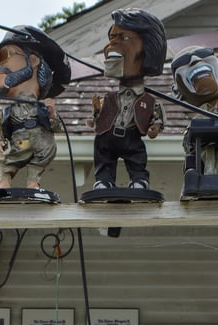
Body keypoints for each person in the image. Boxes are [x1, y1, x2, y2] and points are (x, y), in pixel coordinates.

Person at [0, 26, 71, 190]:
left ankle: (33, 184)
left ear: (33, 61)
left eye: (3, 56)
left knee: (44, 155)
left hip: (42, 143)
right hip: (20, 141)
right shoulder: (8, 112)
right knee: (11, 161)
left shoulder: (43, 107)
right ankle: (4, 184)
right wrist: (0, 141)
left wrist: (52, 115)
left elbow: (56, 128)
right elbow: (2, 130)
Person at [88, 9, 167, 190]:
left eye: (124, 38)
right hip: (108, 136)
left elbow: (156, 118)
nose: (113, 44)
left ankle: (139, 180)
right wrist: (97, 113)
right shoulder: (109, 97)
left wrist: (155, 127)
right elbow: (98, 119)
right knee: (103, 155)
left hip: (132, 136)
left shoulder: (149, 100)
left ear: (147, 50)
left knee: (136, 158)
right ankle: (104, 180)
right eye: (112, 37)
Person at [171, 45, 218, 175]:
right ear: (176, 92)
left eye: (204, 53)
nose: (195, 59)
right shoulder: (195, 125)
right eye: (183, 61)